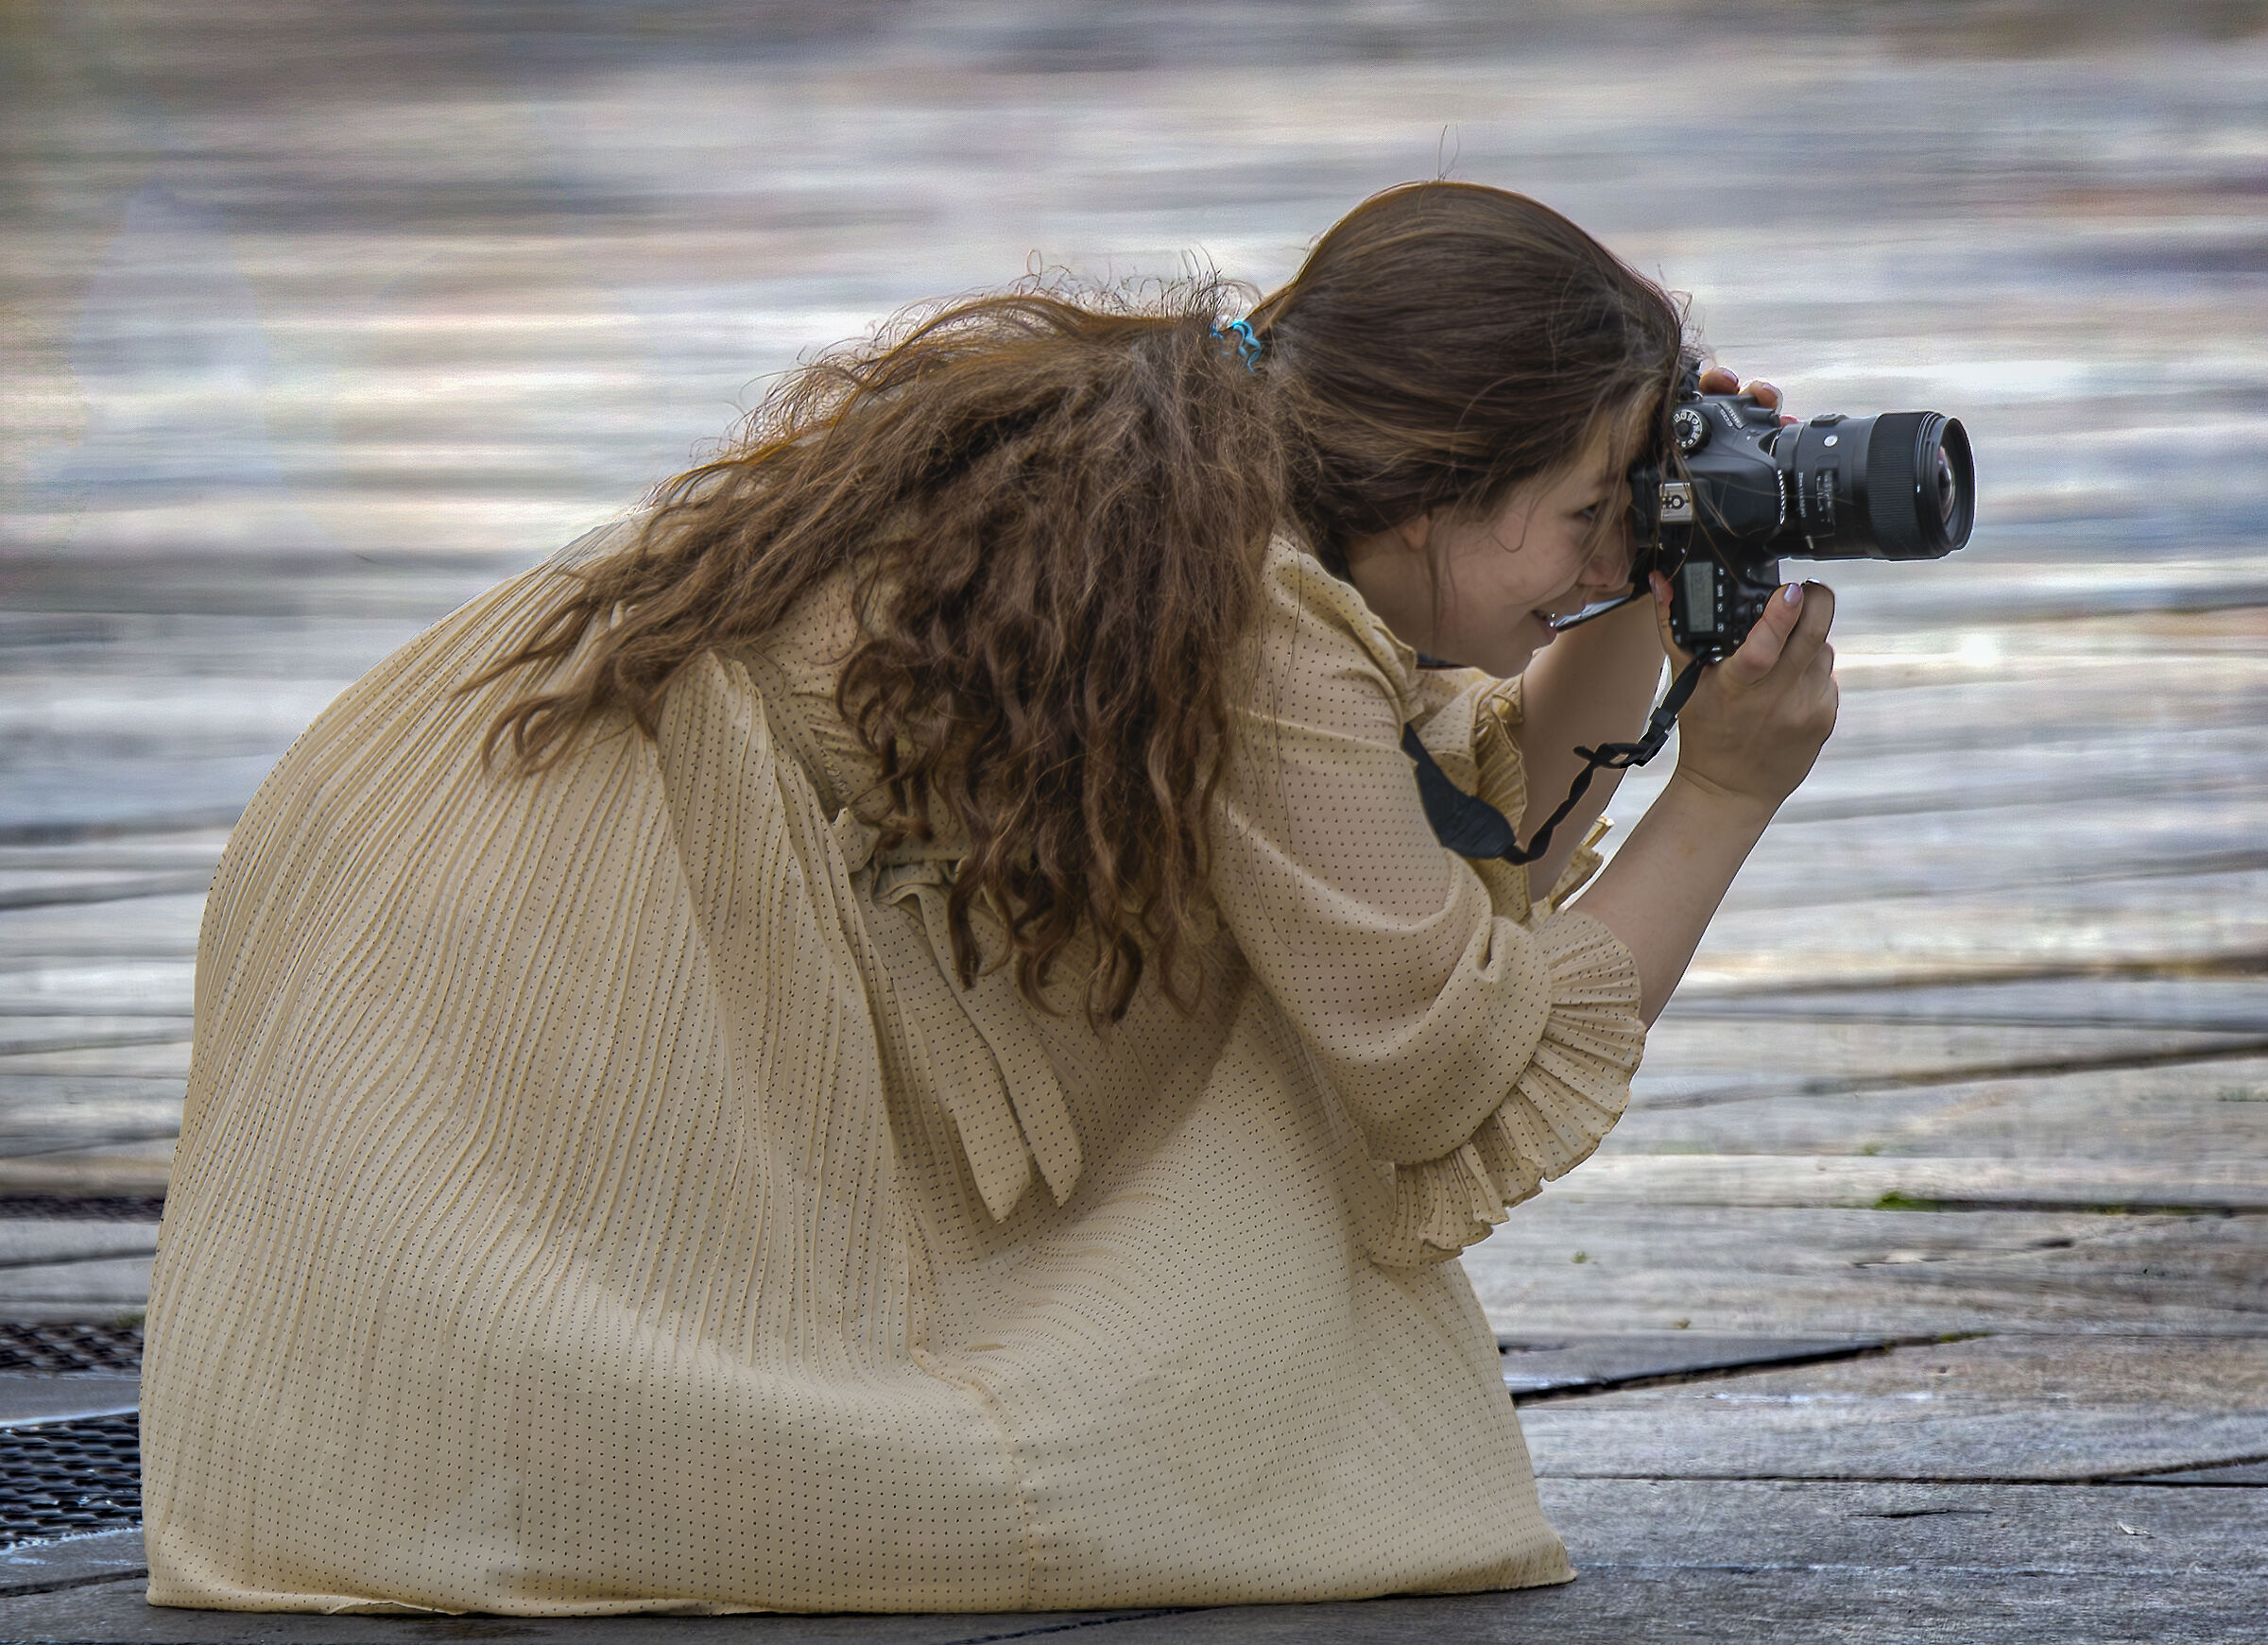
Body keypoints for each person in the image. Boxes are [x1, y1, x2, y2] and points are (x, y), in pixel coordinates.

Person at [141, 180, 1836, 1617]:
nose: (1607, 556)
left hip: (471, 825)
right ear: (1423, 483)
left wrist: (1660, 572)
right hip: (538, 923)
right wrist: (1726, 792)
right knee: (889, 1468)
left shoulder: (1214, 512)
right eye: (1589, 514)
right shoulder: (1255, 610)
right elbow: (1438, 1055)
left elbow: (1404, 862)